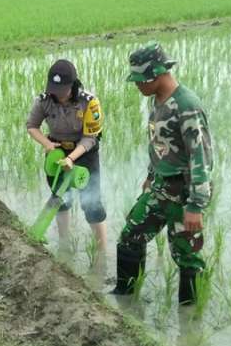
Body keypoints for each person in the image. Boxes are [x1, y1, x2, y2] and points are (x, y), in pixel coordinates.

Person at [112, 41, 214, 305]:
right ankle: (124, 301)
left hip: (184, 195)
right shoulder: (157, 101)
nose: (137, 85)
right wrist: (150, 175)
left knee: (187, 256)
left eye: (140, 80)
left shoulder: (187, 106)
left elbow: (201, 158)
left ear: (156, 74)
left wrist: (196, 206)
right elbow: (159, 144)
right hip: (160, 188)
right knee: (130, 237)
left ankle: (189, 317)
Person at [26, 59, 107, 268]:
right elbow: (32, 126)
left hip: (84, 152)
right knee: (60, 198)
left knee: (92, 203)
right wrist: (47, 144)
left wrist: (71, 158)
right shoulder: (44, 100)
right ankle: (64, 243)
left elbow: (90, 138)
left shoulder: (89, 102)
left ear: (73, 85)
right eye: (54, 89)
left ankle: (101, 251)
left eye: (62, 90)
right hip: (57, 150)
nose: (58, 94)